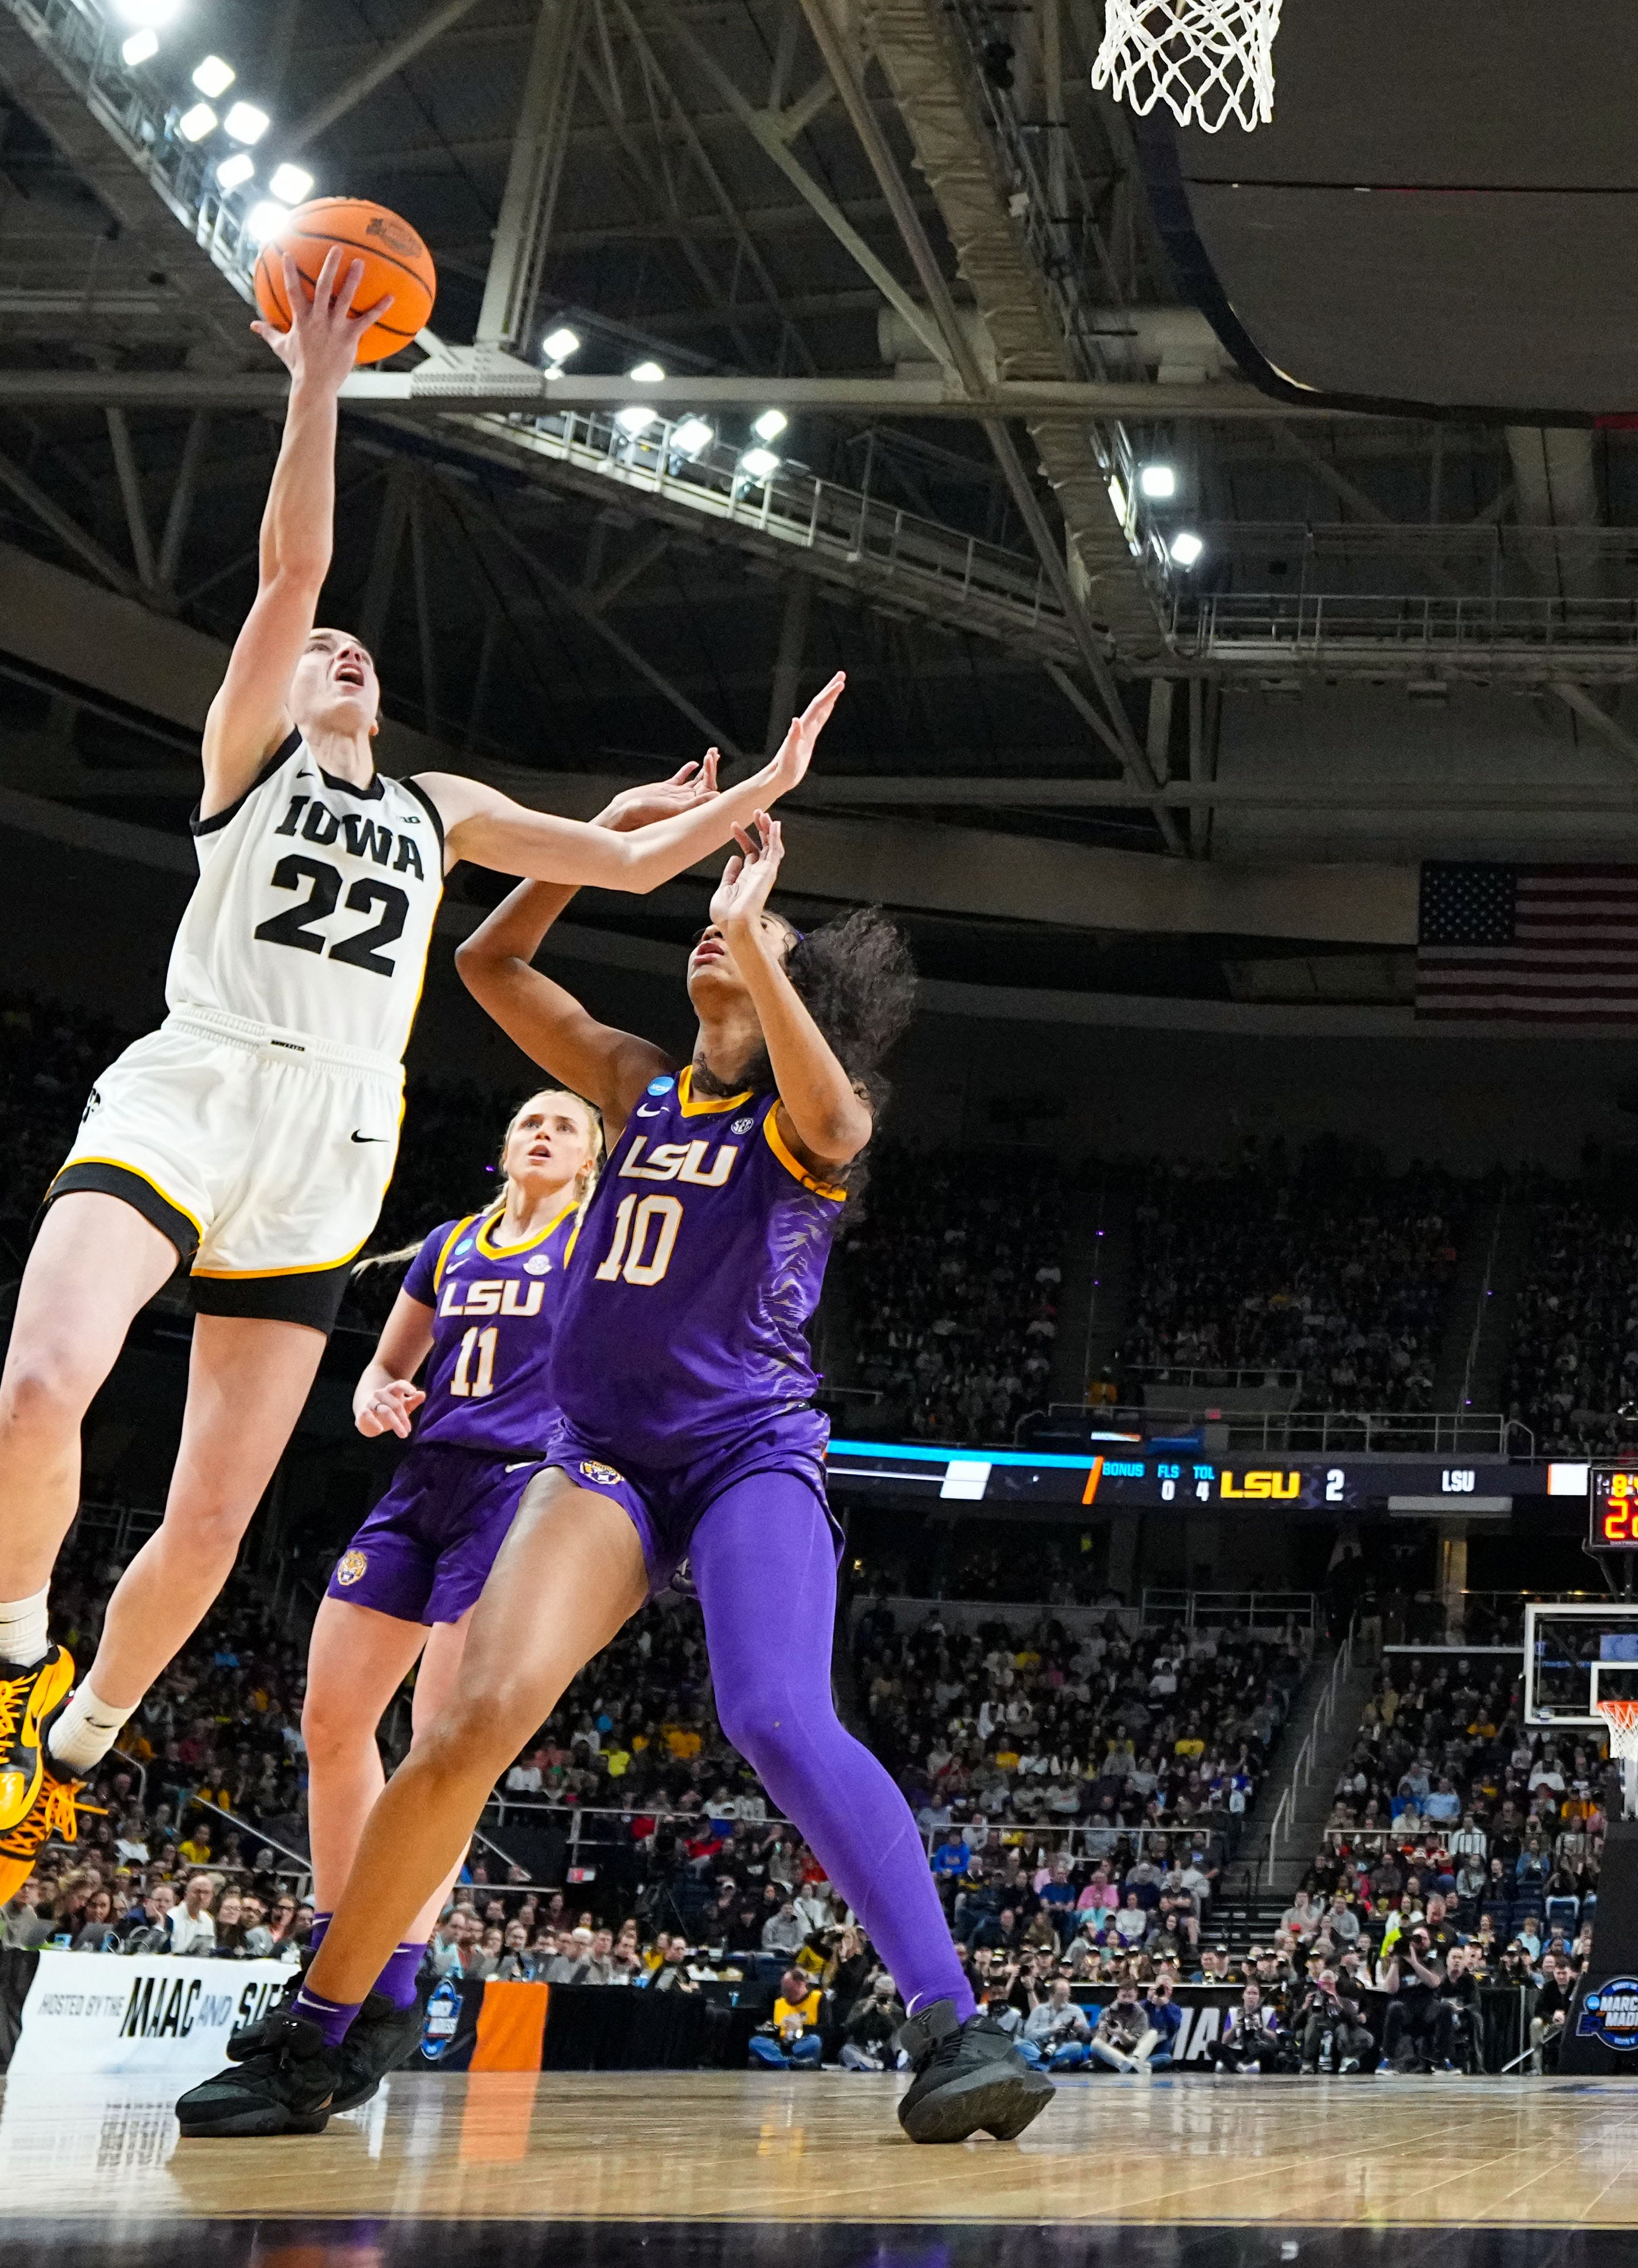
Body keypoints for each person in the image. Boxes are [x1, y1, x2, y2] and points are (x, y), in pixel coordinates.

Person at [0, 254, 844, 1917]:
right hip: (196, 1085)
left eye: (359, 650)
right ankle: (8, 1671)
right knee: (38, 1390)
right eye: (319, 651)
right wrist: (317, 373)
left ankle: (73, 1752)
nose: (341, 649)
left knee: (213, 1522)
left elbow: (621, 862)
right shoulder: (245, 762)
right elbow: (298, 562)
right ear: (276, 690)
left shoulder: (438, 803)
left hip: (336, 1138)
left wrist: (756, 796)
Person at [180, 790, 1036, 2145]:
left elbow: (839, 1118)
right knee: (468, 1722)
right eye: (713, 930)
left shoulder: (810, 1107)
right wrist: (596, 836)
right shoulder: (637, 1086)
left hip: (748, 1448)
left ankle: (953, 2021)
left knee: (772, 1710)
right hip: (600, 1457)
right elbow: (486, 967)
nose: (713, 936)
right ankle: (322, 2029)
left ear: (786, 975)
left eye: (761, 939)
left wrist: (755, 934)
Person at [285, 1088, 600, 2046]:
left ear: (593, 1158)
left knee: (442, 1741)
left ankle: (390, 1979)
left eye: (566, 1124)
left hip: (518, 1492)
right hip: (421, 1483)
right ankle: (336, 1941)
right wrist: (374, 1400)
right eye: (529, 1121)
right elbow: (382, 1372)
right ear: (505, 1146)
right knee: (332, 1720)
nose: (543, 1132)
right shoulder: (450, 1242)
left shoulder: (601, 1240)